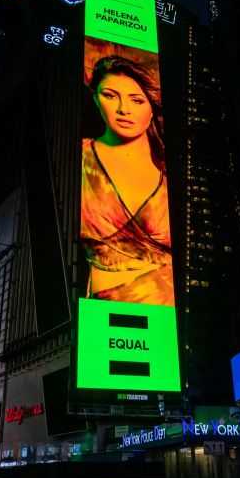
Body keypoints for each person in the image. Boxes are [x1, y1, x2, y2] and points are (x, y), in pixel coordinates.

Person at [81, 55, 173, 306]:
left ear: (152, 106)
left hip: (170, 315)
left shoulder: (168, 175)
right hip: (104, 311)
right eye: (110, 95)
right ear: (95, 98)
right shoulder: (77, 158)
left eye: (137, 100)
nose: (124, 109)